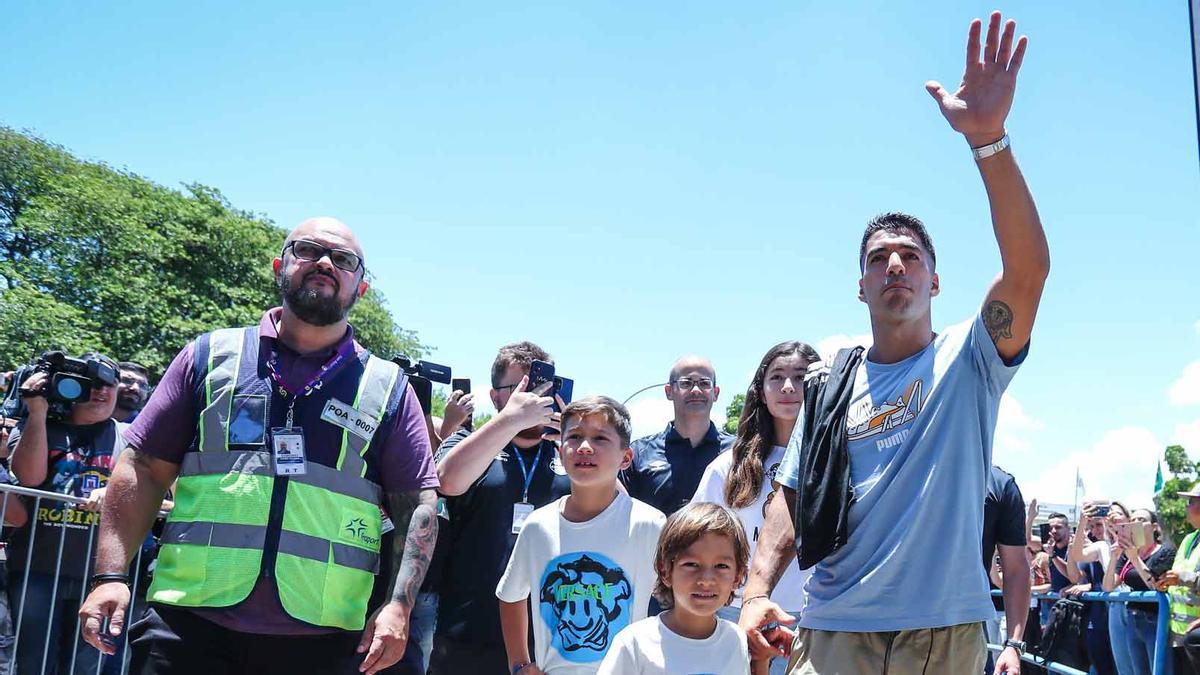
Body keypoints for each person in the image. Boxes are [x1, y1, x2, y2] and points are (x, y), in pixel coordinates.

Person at [738, 13, 1049, 675]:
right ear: (861, 286)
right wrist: (758, 590)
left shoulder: (971, 360)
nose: (897, 266)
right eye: (881, 258)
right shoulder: (829, 383)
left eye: (911, 255)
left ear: (937, 279)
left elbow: (1028, 270)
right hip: (830, 630)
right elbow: (790, 498)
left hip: (941, 634)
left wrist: (988, 141)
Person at [76, 217, 440, 675]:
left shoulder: (387, 387)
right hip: (188, 626)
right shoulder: (208, 357)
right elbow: (144, 468)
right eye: (307, 250)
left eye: (344, 260)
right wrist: (110, 575)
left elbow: (418, 508)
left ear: (360, 289)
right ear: (278, 266)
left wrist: (398, 606)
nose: (325, 263)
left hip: (323, 638)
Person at [427, 341, 572, 674]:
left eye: (542, 387)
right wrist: (510, 421)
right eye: (522, 388)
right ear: (495, 397)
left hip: (547, 639)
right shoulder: (473, 444)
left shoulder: (569, 452)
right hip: (468, 634)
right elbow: (446, 480)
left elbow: (619, 504)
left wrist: (574, 440)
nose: (535, 398)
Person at [496, 396, 665, 674]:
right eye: (574, 437)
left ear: (626, 457)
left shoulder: (649, 524)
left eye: (600, 438)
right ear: (561, 452)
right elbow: (510, 595)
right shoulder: (538, 525)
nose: (585, 447)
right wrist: (519, 664)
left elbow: (680, 600)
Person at [692, 341, 819, 675]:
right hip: (736, 614)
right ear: (761, 392)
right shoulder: (727, 467)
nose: (789, 386)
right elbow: (695, 539)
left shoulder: (839, 460)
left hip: (816, 617)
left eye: (801, 376)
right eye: (777, 377)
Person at [8, 351, 129, 675]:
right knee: (34, 663)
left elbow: (155, 489)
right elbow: (30, 477)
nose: (102, 392)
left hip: (98, 577)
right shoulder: (39, 425)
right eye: (92, 384)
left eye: (110, 385)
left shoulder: (130, 437)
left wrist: (114, 490)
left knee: (88, 667)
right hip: (37, 570)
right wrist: (36, 410)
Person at [597, 502, 755, 675]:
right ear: (665, 570)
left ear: (738, 576)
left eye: (721, 566)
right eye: (692, 564)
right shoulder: (635, 644)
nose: (706, 580)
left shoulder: (736, 641)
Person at [623, 355, 734, 517]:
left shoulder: (737, 452)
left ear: (715, 393)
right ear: (669, 391)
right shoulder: (638, 454)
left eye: (704, 383)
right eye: (686, 383)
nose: (696, 390)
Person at [1104, 508, 1175, 675]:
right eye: (1133, 519)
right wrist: (1114, 556)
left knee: (1159, 670)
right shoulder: (1126, 556)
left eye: (1141, 519)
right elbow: (1108, 586)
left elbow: (1155, 586)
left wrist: (1134, 558)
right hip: (1133, 619)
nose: (1135, 523)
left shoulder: (1165, 551)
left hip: (1155, 620)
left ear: (1154, 527)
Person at [981, 466, 1031, 674]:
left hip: (963, 627)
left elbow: (1016, 569)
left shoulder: (999, 484)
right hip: (883, 622)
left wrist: (1014, 644)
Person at [1159, 483, 1200, 672]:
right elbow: (1177, 577)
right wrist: (1165, 582)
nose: (1186, 506)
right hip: (1179, 635)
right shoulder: (1189, 539)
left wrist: (1183, 578)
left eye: (1191, 501)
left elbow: (1183, 577)